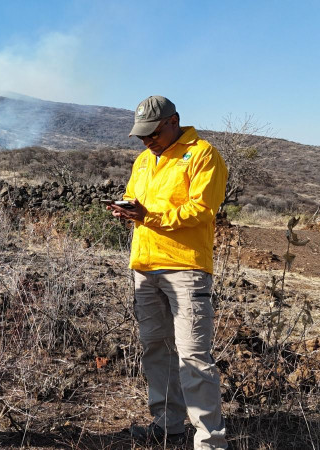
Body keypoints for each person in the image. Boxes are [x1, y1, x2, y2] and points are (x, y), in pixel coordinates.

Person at [108, 95, 228, 449]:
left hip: (185, 268)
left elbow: (202, 211)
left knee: (193, 355)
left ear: (173, 121)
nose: (147, 141)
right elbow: (136, 198)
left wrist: (148, 216)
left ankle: (209, 441)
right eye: (142, 136)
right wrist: (126, 210)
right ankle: (168, 424)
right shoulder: (144, 160)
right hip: (145, 267)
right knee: (156, 349)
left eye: (153, 133)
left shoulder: (203, 154)